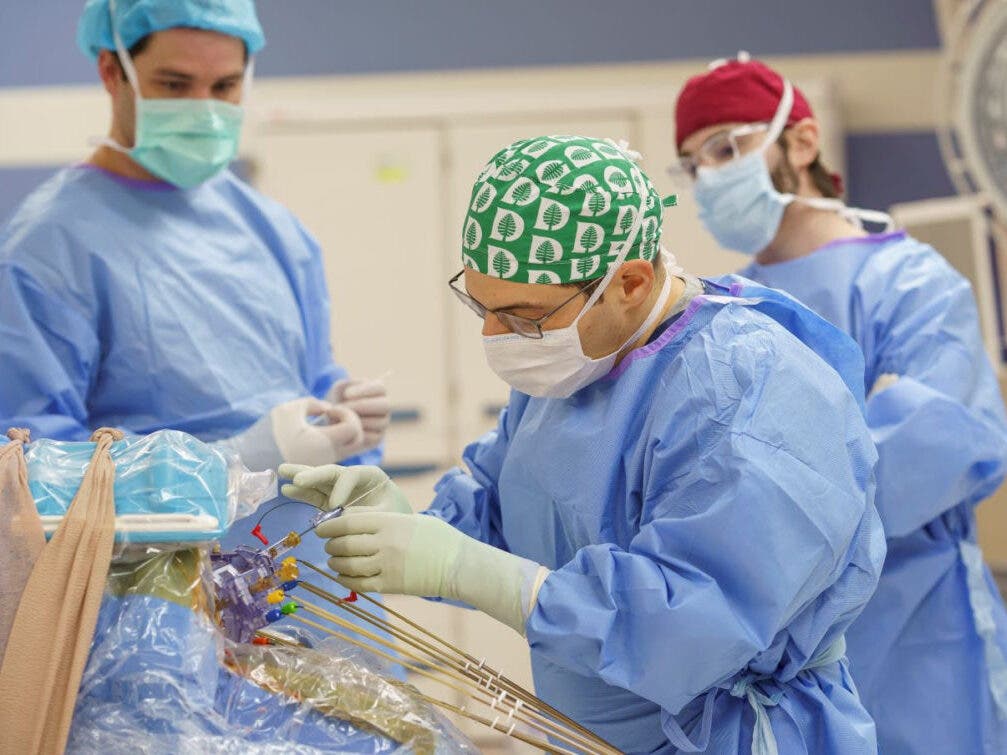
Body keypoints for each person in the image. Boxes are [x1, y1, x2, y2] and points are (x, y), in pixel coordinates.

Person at [281, 135, 887, 754]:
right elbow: (507, 505)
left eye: (522, 317)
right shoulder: (575, 361)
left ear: (629, 281)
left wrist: (468, 570)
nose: (496, 337)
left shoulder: (748, 392)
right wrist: (412, 527)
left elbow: (692, 625)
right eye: (481, 307)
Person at [674, 54, 1007, 754]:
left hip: (918, 637)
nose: (708, 175)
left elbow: (945, 437)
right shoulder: (726, 307)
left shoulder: (906, 281)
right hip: (780, 657)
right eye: (691, 162)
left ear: (800, 142)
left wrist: (772, 514)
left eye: (726, 147)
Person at [0, 1, 389, 598]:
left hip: (310, 587)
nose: (203, 106)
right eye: (175, 84)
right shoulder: (46, 248)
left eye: (225, 85)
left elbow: (305, 378)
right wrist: (236, 462)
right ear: (113, 71)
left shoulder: (273, 231)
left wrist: (344, 421)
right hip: (157, 605)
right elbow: (31, 482)